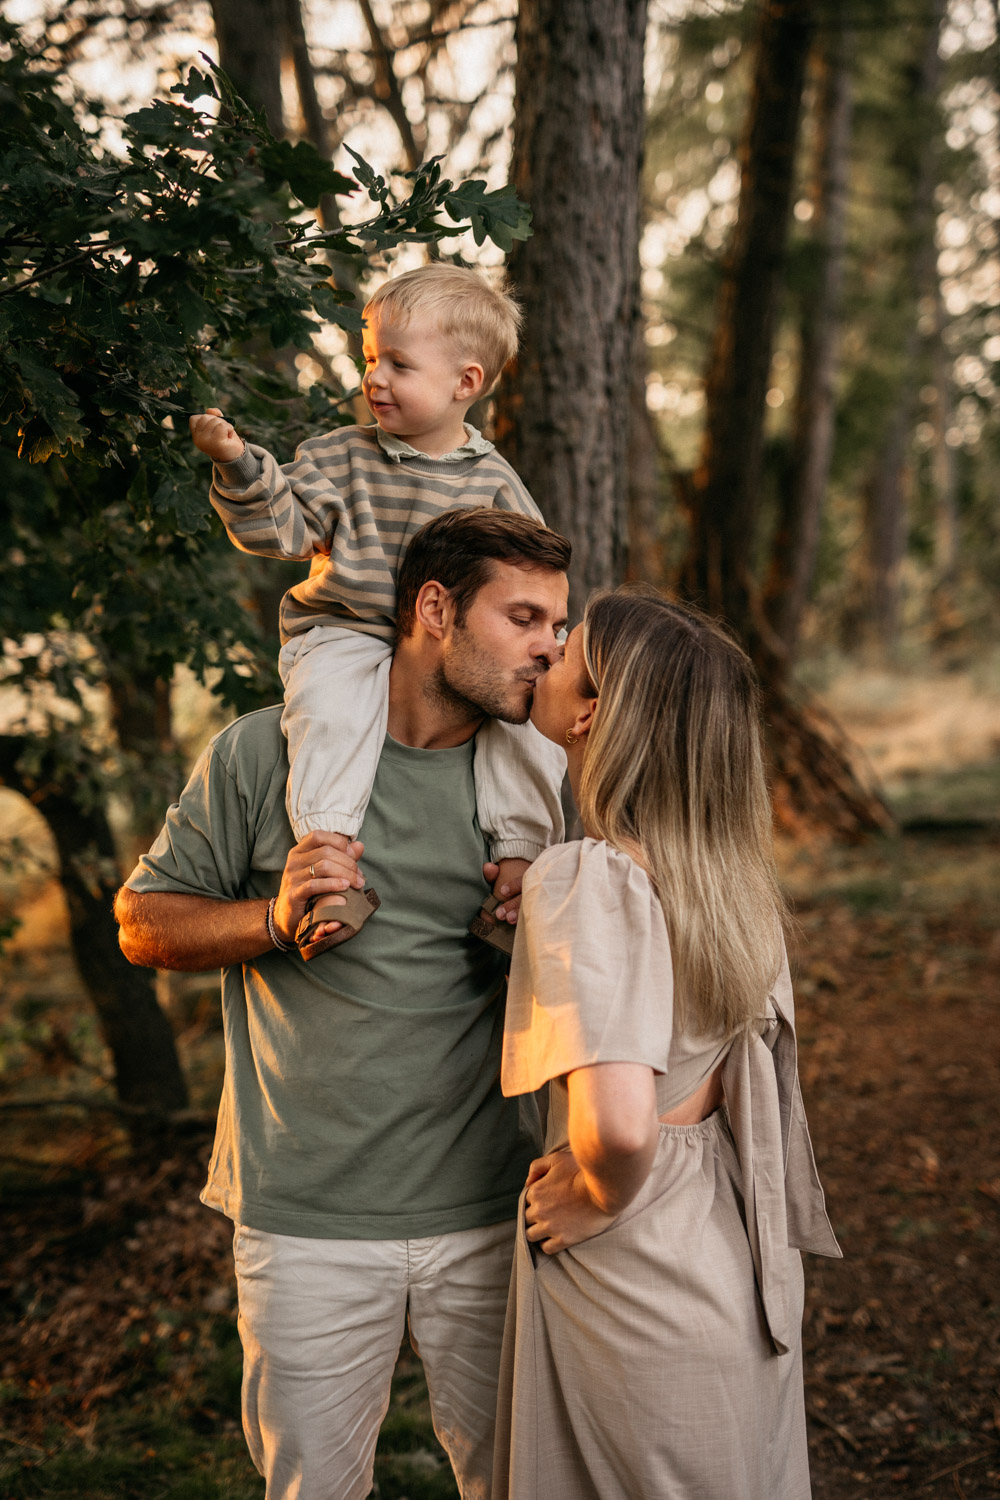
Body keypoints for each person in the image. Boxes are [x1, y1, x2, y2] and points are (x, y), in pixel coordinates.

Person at [114, 508, 571, 1500]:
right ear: (437, 611)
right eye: (525, 618)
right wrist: (272, 921)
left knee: (523, 1483)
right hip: (305, 1216)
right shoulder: (262, 757)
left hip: (496, 1208)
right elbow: (142, 925)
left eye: (557, 628)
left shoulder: (546, 788)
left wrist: (550, 920)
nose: (549, 648)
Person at [492, 585, 842, 1500]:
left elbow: (621, 1127)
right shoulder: (726, 881)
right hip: (724, 1248)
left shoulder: (592, 879)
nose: (550, 649)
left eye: (568, 649)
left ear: (595, 711)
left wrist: (596, 1195)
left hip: (637, 1261)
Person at [189, 262, 565, 958]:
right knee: (328, 718)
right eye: (370, 359)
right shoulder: (341, 458)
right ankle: (330, 864)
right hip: (346, 632)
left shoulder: (495, 484)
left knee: (523, 733)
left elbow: (531, 579)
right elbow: (283, 530)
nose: (376, 378)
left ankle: (516, 880)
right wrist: (240, 465)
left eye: (399, 363)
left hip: (452, 658)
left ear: (466, 383)